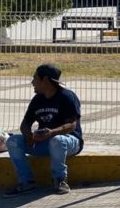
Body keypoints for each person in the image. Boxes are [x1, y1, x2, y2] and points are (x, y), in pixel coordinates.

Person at [5, 64, 84, 196]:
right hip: (44, 142)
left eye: (35, 78)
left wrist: (52, 133)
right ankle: (26, 182)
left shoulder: (67, 97)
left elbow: (71, 125)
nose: (32, 82)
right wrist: (28, 135)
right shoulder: (37, 99)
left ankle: (60, 180)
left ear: (45, 80)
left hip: (69, 142)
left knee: (57, 141)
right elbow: (25, 123)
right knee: (13, 141)